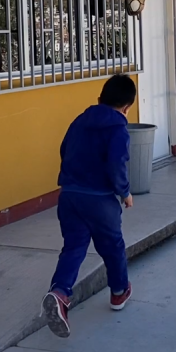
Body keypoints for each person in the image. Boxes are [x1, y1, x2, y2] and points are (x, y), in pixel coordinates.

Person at [40, 74, 136, 338]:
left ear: (99, 99)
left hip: (69, 196)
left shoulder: (79, 121)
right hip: (100, 199)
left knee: (73, 247)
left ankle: (59, 293)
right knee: (112, 246)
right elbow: (117, 164)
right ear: (127, 108)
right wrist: (125, 192)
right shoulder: (118, 128)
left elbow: (64, 149)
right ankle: (119, 292)